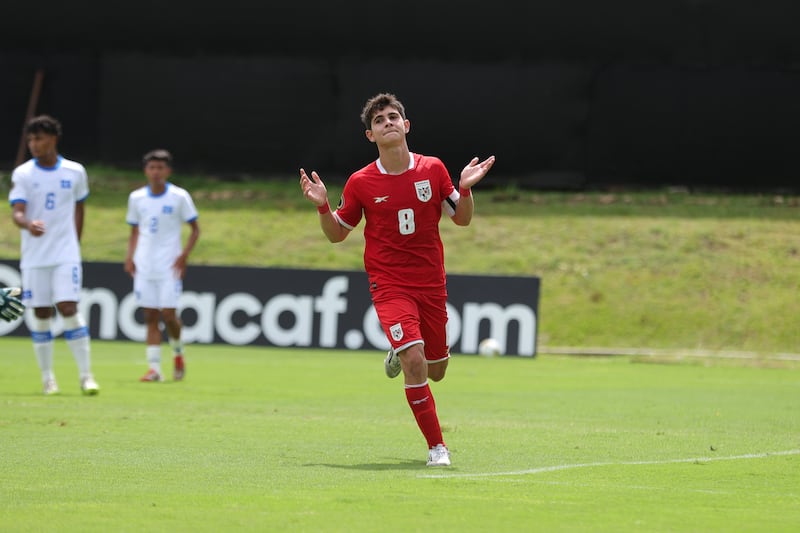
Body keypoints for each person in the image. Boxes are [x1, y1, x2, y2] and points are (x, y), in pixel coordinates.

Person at [299, 92, 495, 467]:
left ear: (406, 126)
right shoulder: (361, 182)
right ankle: (437, 447)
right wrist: (323, 205)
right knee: (416, 361)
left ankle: (399, 350)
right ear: (370, 136)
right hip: (389, 284)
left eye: (392, 117)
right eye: (378, 121)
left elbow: (462, 218)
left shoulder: (433, 169)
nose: (387, 122)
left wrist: (465, 188)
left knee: (436, 371)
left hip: (431, 284)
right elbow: (337, 234)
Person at [8, 114, 100, 396]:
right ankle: (48, 378)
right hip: (35, 256)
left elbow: (80, 207)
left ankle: (86, 376)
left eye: (40, 138)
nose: (34, 144)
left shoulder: (75, 172)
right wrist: (27, 223)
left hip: (65, 254)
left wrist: (75, 242)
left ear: (54, 139)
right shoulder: (23, 173)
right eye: (31, 139)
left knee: (69, 308)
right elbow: (17, 212)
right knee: (41, 313)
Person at [125, 149, 200, 382]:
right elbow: (135, 230)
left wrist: (184, 255)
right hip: (144, 264)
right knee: (149, 314)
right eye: (151, 167)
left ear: (168, 171)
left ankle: (178, 353)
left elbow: (195, 229)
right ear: (146, 170)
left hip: (169, 265)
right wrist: (130, 257)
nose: (156, 172)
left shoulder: (179, 197)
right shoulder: (137, 198)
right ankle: (154, 369)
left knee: (168, 315)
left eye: (160, 168)